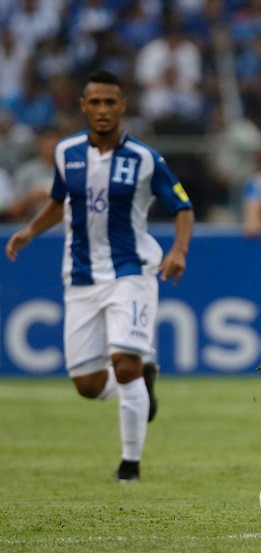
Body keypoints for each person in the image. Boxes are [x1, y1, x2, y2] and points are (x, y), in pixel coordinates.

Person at [4, 69, 194, 482]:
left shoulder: (144, 158)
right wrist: (29, 231)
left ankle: (130, 465)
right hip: (81, 275)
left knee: (124, 363)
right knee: (87, 384)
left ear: (123, 106)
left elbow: (182, 205)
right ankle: (143, 384)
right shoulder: (66, 152)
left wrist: (178, 250)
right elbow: (58, 202)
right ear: (84, 106)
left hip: (131, 271)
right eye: (96, 102)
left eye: (111, 102)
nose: (104, 110)